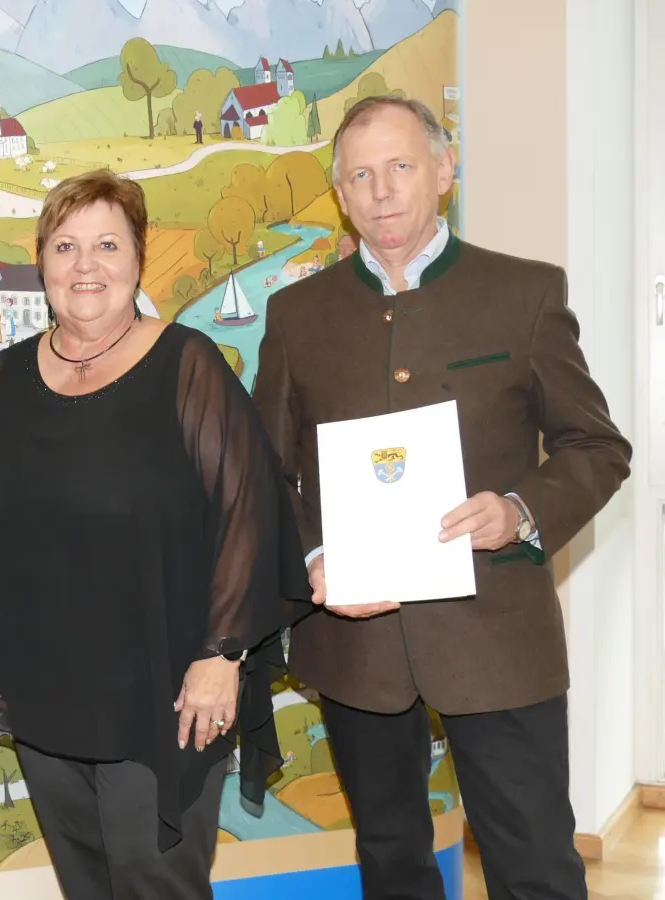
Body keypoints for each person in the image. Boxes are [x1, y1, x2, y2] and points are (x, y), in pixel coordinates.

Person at [253, 96, 632, 900]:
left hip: (499, 640)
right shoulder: (296, 315)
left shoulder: (524, 293)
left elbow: (597, 448)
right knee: (391, 859)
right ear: (342, 195)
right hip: (358, 646)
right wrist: (315, 556)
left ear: (444, 172)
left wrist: (520, 511)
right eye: (361, 174)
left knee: (535, 866)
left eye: (401, 167)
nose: (383, 191)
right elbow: (265, 471)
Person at [0, 169, 310, 900]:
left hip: (165, 694)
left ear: (138, 260)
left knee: (155, 884)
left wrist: (223, 655)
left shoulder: (188, 366)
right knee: (87, 885)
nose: (86, 266)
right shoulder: (4, 380)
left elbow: (250, 512)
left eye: (107, 245)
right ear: (42, 262)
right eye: (66, 247)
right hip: (46, 698)